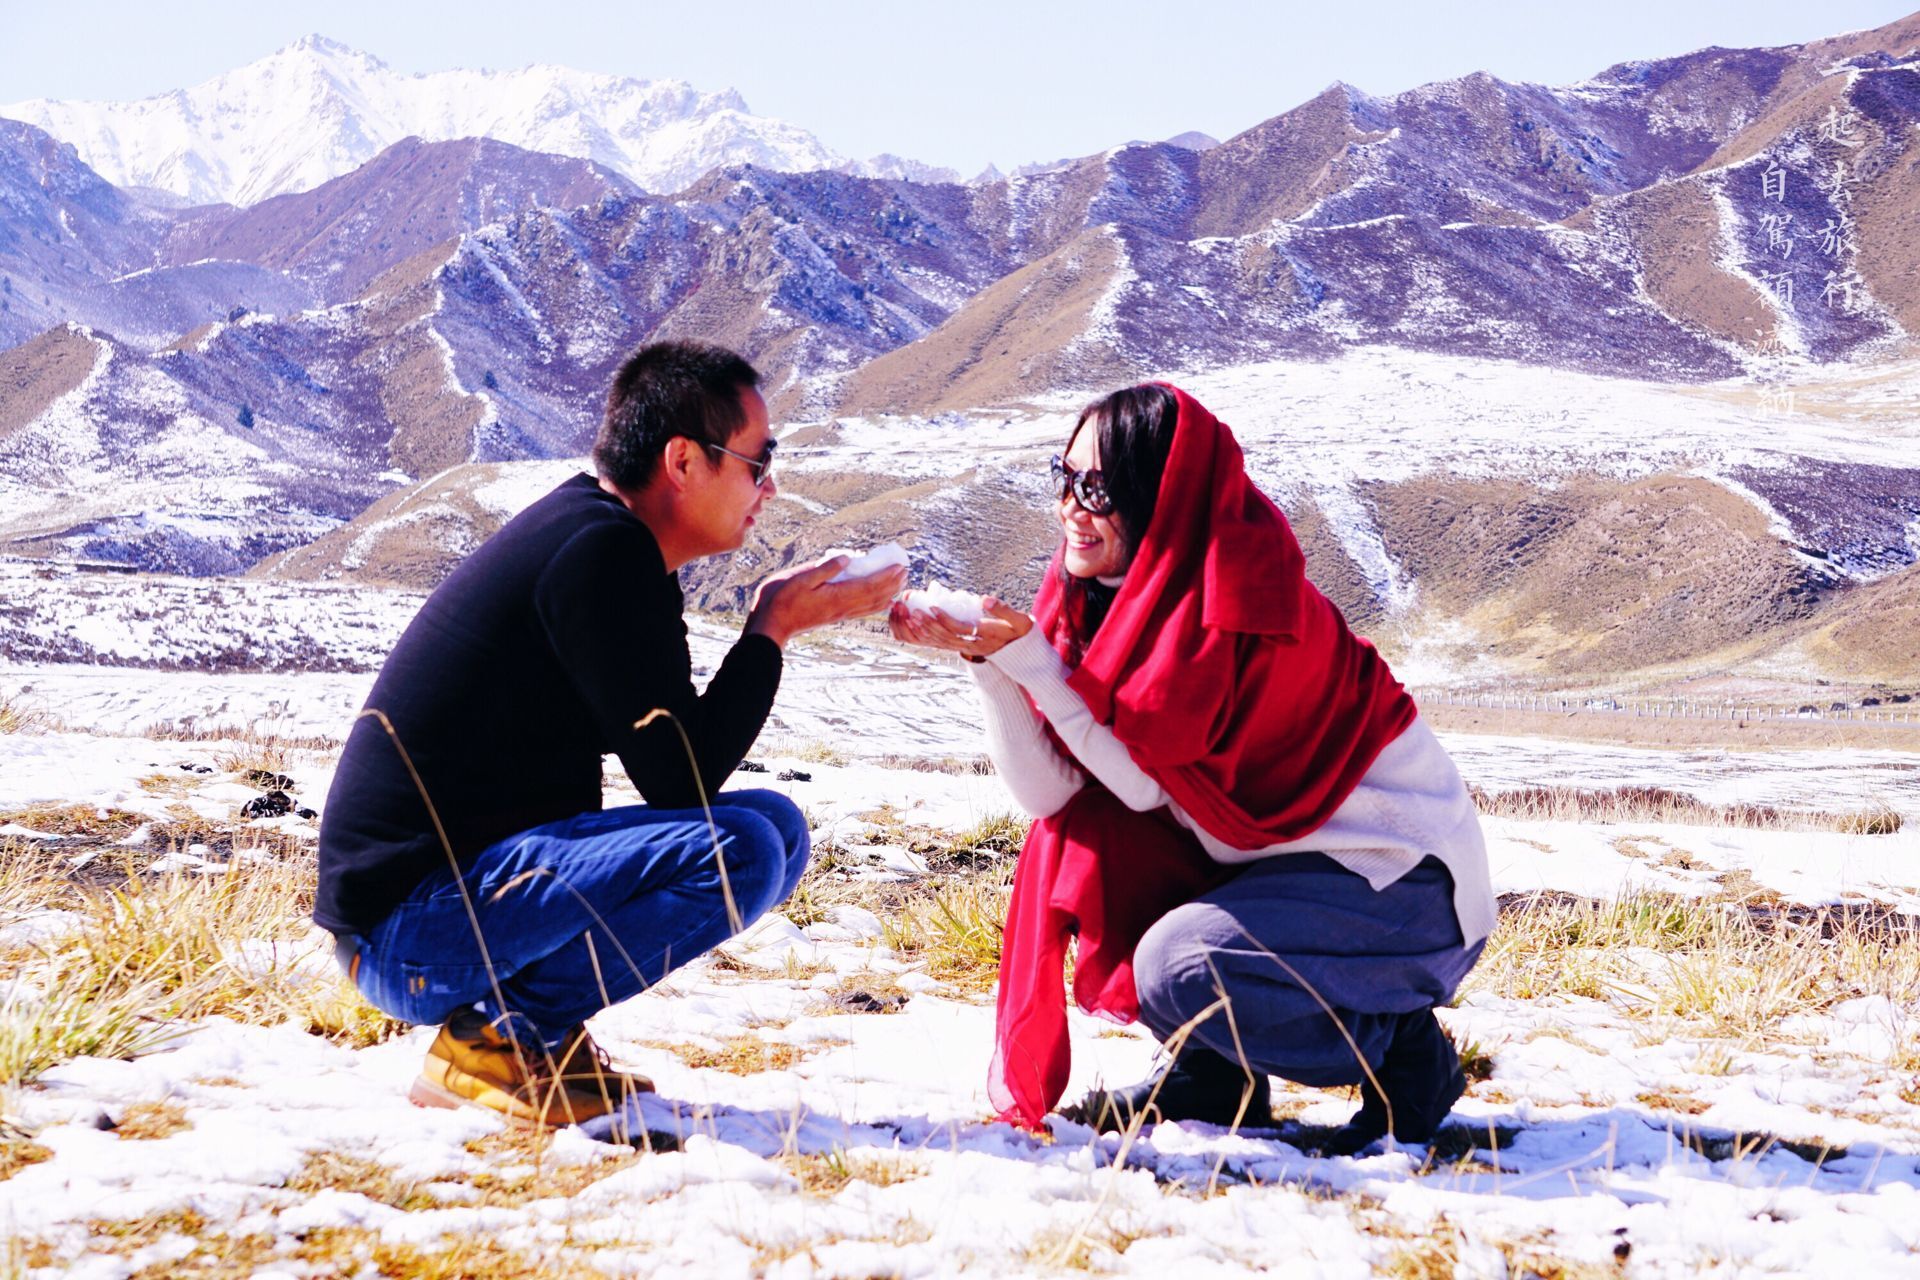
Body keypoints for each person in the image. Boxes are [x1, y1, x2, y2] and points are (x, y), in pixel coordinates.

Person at [889, 382, 1495, 1154]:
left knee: (1181, 966)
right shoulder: (1087, 598)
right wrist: (989, 663)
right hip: (1280, 874)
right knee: (1097, 834)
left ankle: (1402, 1054)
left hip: (1401, 889)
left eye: (1101, 488)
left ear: (1160, 496)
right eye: (1064, 478)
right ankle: (1215, 1075)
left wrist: (1027, 661)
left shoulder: (1240, 601)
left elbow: (1147, 776)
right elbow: (1055, 795)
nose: (1074, 505)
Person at [316, 341, 904, 1128]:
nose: (769, 486)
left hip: (435, 915)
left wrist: (770, 628)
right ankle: (498, 1038)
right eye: (759, 463)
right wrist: (771, 630)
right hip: (408, 935)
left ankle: (530, 1037)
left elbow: (677, 764)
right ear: (685, 461)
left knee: (773, 828)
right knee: (743, 852)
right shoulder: (599, 552)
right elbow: (682, 783)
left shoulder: (606, 541)